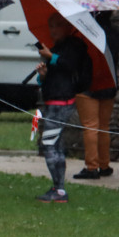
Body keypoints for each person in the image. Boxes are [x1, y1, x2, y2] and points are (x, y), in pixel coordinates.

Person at [34, 13, 92, 203]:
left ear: (68, 27)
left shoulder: (74, 46)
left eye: (58, 25)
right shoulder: (57, 48)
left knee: (49, 144)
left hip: (63, 101)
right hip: (52, 100)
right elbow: (51, 76)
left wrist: (51, 56)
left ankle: (59, 190)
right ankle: (57, 188)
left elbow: (70, 65)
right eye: (51, 26)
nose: (54, 30)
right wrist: (42, 75)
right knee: (56, 145)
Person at [72, 11, 119, 180]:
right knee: (103, 127)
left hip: (88, 84)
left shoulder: (86, 34)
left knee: (90, 126)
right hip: (109, 83)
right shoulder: (115, 34)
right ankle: (104, 165)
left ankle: (91, 167)